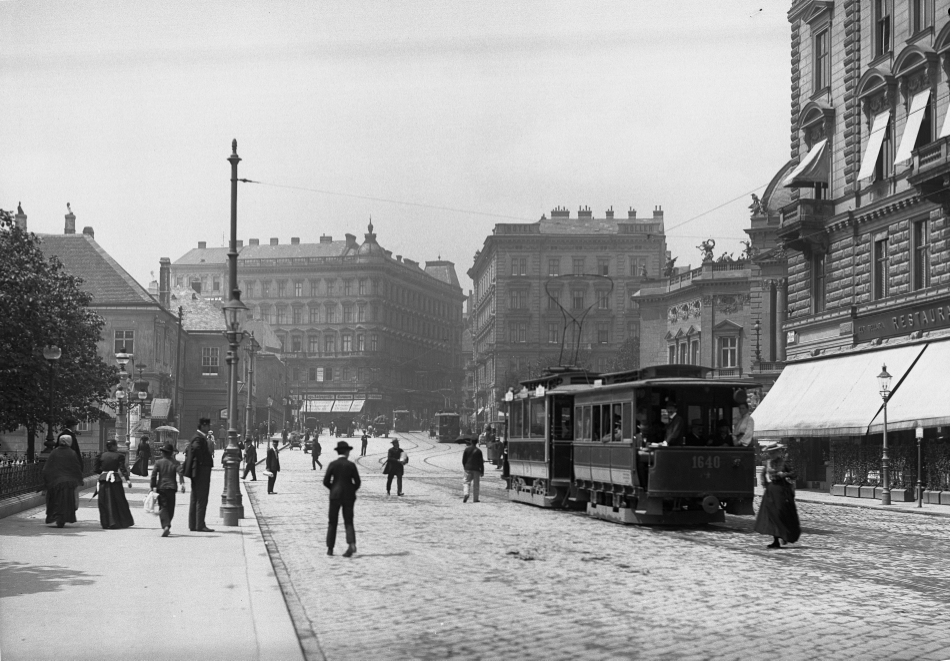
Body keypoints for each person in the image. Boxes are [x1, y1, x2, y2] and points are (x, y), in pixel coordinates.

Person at [754, 442, 801, 549]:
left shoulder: (784, 463)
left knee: (781, 512)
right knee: (772, 515)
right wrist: (765, 484)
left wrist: (784, 474)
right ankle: (775, 540)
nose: (772, 454)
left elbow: (794, 474)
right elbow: (763, 474)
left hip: (782, 489)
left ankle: (785, 534)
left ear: (778, 452)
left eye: (774, 452)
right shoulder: (768, 463)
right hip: (771, 490)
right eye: (770, 453)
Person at [323, 440, 361, 557]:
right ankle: (351, 544)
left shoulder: (333, 464)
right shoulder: (351, 465)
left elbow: (325, 481)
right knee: (348, 521)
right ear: (346, 452)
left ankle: (330, 548)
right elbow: (358, 482)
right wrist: (351, 489)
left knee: (332, 522)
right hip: (349, 496)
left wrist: (333, 488)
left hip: (335, 496)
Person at [42, 432, 84, 528]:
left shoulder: (54, 452)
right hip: (68, 483)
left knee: (55, 501)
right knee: (67, 501)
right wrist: (79, 479)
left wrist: (47, 481)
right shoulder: (72, 453)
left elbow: (47, 468)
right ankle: (64, 518)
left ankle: (55, 517)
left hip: (55, 482)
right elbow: (76, 467)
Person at [94, 439, 135, 529]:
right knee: (118, 501)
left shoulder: (101, 455)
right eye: (116, 445)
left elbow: (96, 469)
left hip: (103, 480)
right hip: (115, 481)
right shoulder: (119, 456)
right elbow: (122, 469)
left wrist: (104, 472)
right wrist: (127, 480)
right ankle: (118, 522)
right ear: (113, 446)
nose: (117, 447)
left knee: (104, 501)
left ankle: (105, 522)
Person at [183, 417, 215, 532]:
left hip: (197, 472)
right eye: (207, 426)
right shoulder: (199, 437)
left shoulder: (198, 437)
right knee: (202, 498)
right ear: (203, 426)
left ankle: (194, 524)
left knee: (195, 498)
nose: (209, 428)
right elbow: (196, 448)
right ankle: (200, 525)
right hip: (201, 472)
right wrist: (202, 461)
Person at [150, 442, 185, 537]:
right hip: (172, 488)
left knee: (163, 507)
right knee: (171, 508)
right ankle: (167, 525)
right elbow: (180, 472)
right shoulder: (175, 463)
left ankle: (165, 525)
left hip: (161, 487)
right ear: (171, 453)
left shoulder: (158, 462)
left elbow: (153, 475)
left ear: (163, 453)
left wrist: (152, 487)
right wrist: (182, 484)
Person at [461, 436, 484, 503]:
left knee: (466, 482)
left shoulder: (466, 450)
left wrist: (465, 467)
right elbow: (481, 462)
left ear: (470, 442)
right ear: (477, 442)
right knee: (476, 484)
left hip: (468, 468)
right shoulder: (479, 451)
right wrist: (482, 471)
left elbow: (463, 460)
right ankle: (475, 499)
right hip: (476, 469)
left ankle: (466, 494)